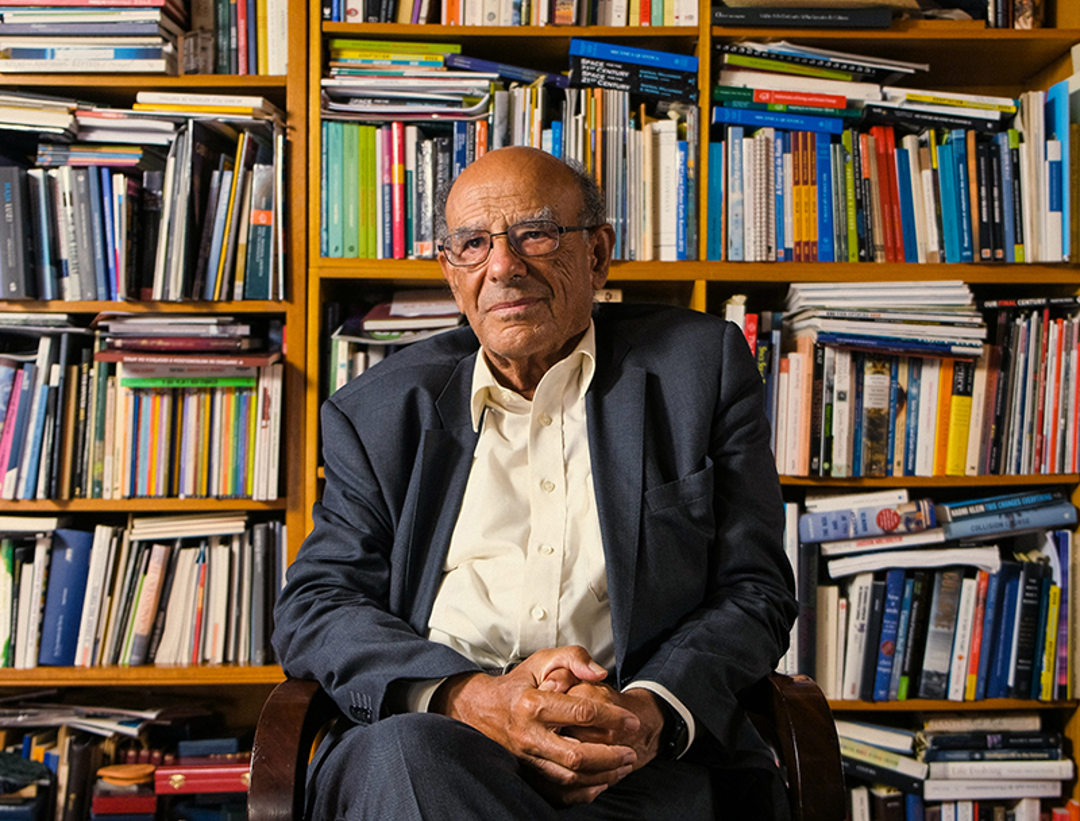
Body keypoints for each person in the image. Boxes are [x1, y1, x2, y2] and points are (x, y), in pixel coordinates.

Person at [271, 146, 798, 820]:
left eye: (535, 235)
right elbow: (317, 602)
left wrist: (651, 710)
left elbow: (755, 588)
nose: (502, 266)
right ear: (451, 271)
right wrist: (468, 696)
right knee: (406, 759)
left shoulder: (699, 371)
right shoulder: (378, 412)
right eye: (472, 244)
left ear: (598, 254)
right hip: (440, 745)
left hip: (633, 757)